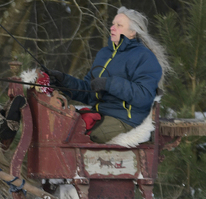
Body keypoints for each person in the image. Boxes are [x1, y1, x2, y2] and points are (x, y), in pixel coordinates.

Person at [47, 7, 171, 143]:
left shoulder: (144, 57)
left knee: (78, 137)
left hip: (127, 120)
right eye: (113, 24)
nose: (112, 28)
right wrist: (64, 81)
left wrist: (109, 83)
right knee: (63, 127)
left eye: (119, 25)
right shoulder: (104, 54)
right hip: (100, 115)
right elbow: (88, 91)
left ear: (132, 32)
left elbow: (144, 96)